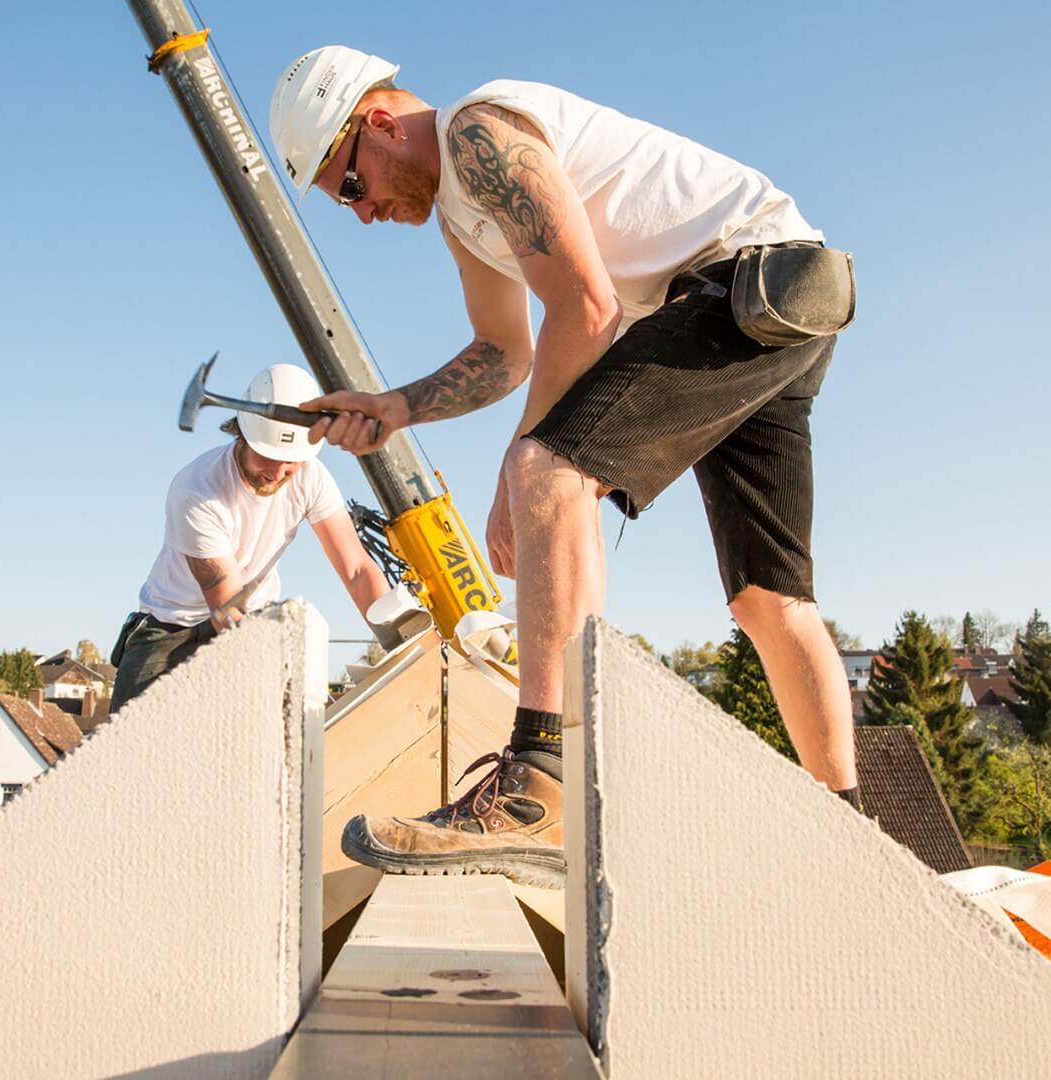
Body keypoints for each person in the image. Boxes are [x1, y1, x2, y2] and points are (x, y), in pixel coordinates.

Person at [268, 47, 859, 887]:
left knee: (548, 470)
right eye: (345, 205)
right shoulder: (462, 219)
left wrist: (521, 471)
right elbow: (504, 354)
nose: (362, 215)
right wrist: (395, 406)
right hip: (783, 297)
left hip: (746, 281)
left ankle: (539, 783)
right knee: (769, 598)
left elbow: (587, 307)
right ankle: (851, 840)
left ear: (382, 124)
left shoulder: (479, 133)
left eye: (351, 186)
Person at [109, 363, 392, 713]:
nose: (277, 472)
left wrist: (397, 640)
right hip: (172, 629)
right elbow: (227, 606)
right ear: (241, 433)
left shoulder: (310, 476)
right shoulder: (197, 491)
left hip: (253, 617)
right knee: (130, 736)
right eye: (268, 456)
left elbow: (356, 569)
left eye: (290, 462)